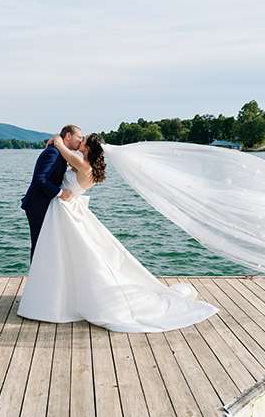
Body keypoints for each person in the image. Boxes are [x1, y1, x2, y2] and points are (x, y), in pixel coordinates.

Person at [18, 132, 218, 333]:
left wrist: (57, 138)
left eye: (83, 139)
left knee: (67, 254)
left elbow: (61, 148)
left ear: (88, 148)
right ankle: (60, 294)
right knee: (75, 255)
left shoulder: (81, 163)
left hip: (64, 210)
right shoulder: (92, 170)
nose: (80, 141)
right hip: (70, 211)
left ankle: (56, 296)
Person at [21, 124, 84, 261]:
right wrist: (60, 192)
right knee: (39, 246)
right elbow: (39, 178)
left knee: (46, 246)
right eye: (79, 137)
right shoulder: (53, 152)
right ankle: (36, 280)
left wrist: (56, 137)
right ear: (68, 136)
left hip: (47, 205)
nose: (81, 141)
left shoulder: (60, 152)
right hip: (38, 206)